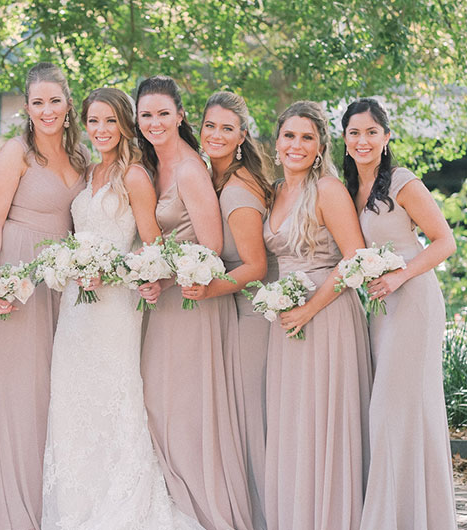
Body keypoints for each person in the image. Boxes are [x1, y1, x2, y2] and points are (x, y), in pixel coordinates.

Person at [41, 87, 203, 529]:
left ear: (124, 125)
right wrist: (72, 265)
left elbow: (151, 247)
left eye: (110, 121)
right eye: (93, 121)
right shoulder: (88, 171)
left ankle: (120, 506)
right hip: (75, 307)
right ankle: (75, 508)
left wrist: (108, 272)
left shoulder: (134, 176)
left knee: (113, 394)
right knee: (71, 399)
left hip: (114, 306)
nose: (100, 130)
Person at [0, 62, 88, 530]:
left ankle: (47, 500)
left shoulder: (82, 157)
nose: (47, 110)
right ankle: (11, 510)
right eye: (37, 102)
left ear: (68, 104)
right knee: (18, 392)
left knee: (52, 391)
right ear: (27, 110)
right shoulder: (16, 153)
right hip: (17, 270)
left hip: (60, 280)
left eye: (55, 100)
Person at [137, 75, 253, 530]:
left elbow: (211, 247)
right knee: (161, 408)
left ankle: (204, 512)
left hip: (193, 303)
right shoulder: (153, 164)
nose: (154, 122)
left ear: (181, 116)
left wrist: (165, 280)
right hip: (166, 302)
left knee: (184, 410)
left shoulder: (189, 168)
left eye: (164, 113)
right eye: (146, 114)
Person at [342, 98, 457, 530]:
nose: (363, 139)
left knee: (394, 407)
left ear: (386, 137)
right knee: (395, 408)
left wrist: (398, 277)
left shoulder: (402, 182)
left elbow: (445, 242)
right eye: (355, 132)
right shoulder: (349, 189)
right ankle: (411, 514)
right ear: (345, 140)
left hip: (411, 303)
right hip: (376, 309)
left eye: (372, 131)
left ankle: (392, 519)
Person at [263, 101, 371, 530]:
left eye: (307, 137)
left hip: (326, 316)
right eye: (289, 135)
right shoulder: (274, 192)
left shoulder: (327, 189)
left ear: (321, 145)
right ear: (276, 143)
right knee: (295, 424)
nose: (297, 144)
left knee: (326, 423)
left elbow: (355, 258)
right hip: (287, 321)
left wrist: (308, 308)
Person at [197, 91, 277, 530]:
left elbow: (256, 265)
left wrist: (204, 290)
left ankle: (264, 517)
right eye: (211, 125)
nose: (217, 134)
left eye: (228, 128)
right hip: (233, 312)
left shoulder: (240, 189)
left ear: (243, 135)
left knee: (251, 422)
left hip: (252, 317)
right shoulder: (215, 178)